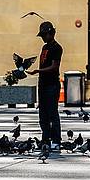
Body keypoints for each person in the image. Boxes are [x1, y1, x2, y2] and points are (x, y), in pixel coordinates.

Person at [26, 21, 62, 150]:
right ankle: (45, 139)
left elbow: (54, 67)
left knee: (52, 113)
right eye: (41, 36)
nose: (43, 38)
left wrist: (38, 71)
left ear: (51, 33)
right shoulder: (45, 48)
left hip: (52, 85)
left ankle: (56, 140)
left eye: (44, 35)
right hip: (43, 84)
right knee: (43, 115)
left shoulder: (56, 48)